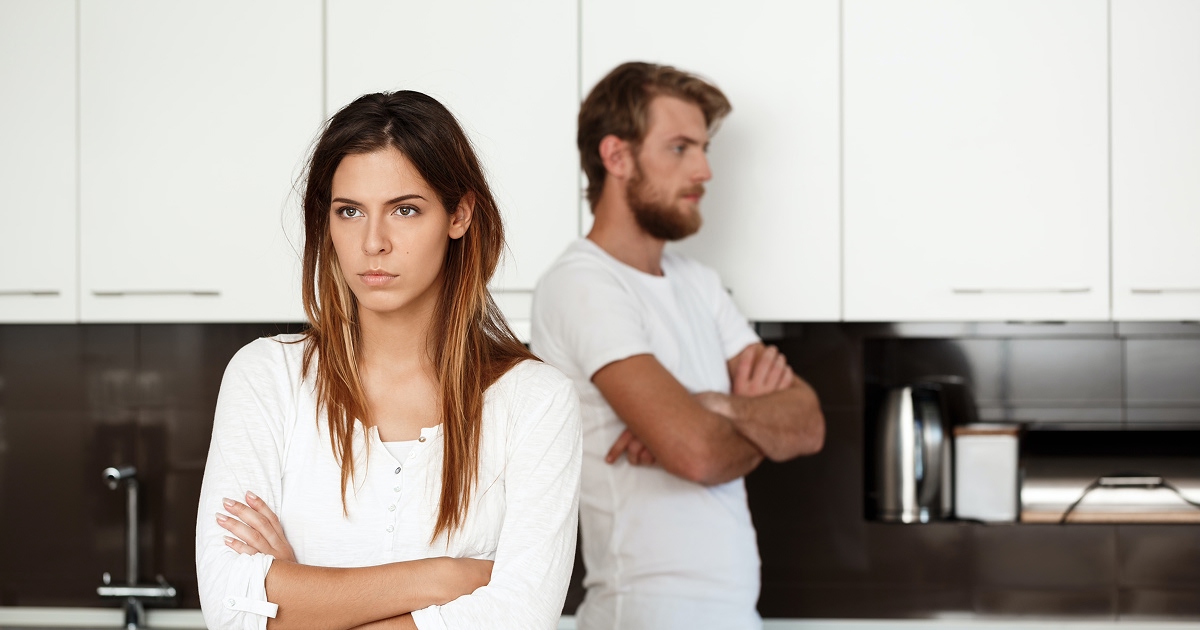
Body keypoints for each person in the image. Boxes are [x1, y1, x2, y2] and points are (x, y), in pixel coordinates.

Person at [195, 91, 582, 630]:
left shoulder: (536, 401)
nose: (372, 242)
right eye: (349, 211)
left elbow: (519, 617)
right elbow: (229, 609)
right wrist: (444, 577)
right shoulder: (266, 377)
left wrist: (299, 598)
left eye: (405, 209)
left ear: (459, 214)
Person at [530, 62, 826, 630]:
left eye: (704, 148)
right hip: (644, 615)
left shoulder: (699, 284)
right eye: (680, 148)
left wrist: (713, 406)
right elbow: (699, 454)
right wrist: (750, 424)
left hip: (734, 615)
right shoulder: (582, 284)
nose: (705, 170)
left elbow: (809, 423)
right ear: (617, 156)